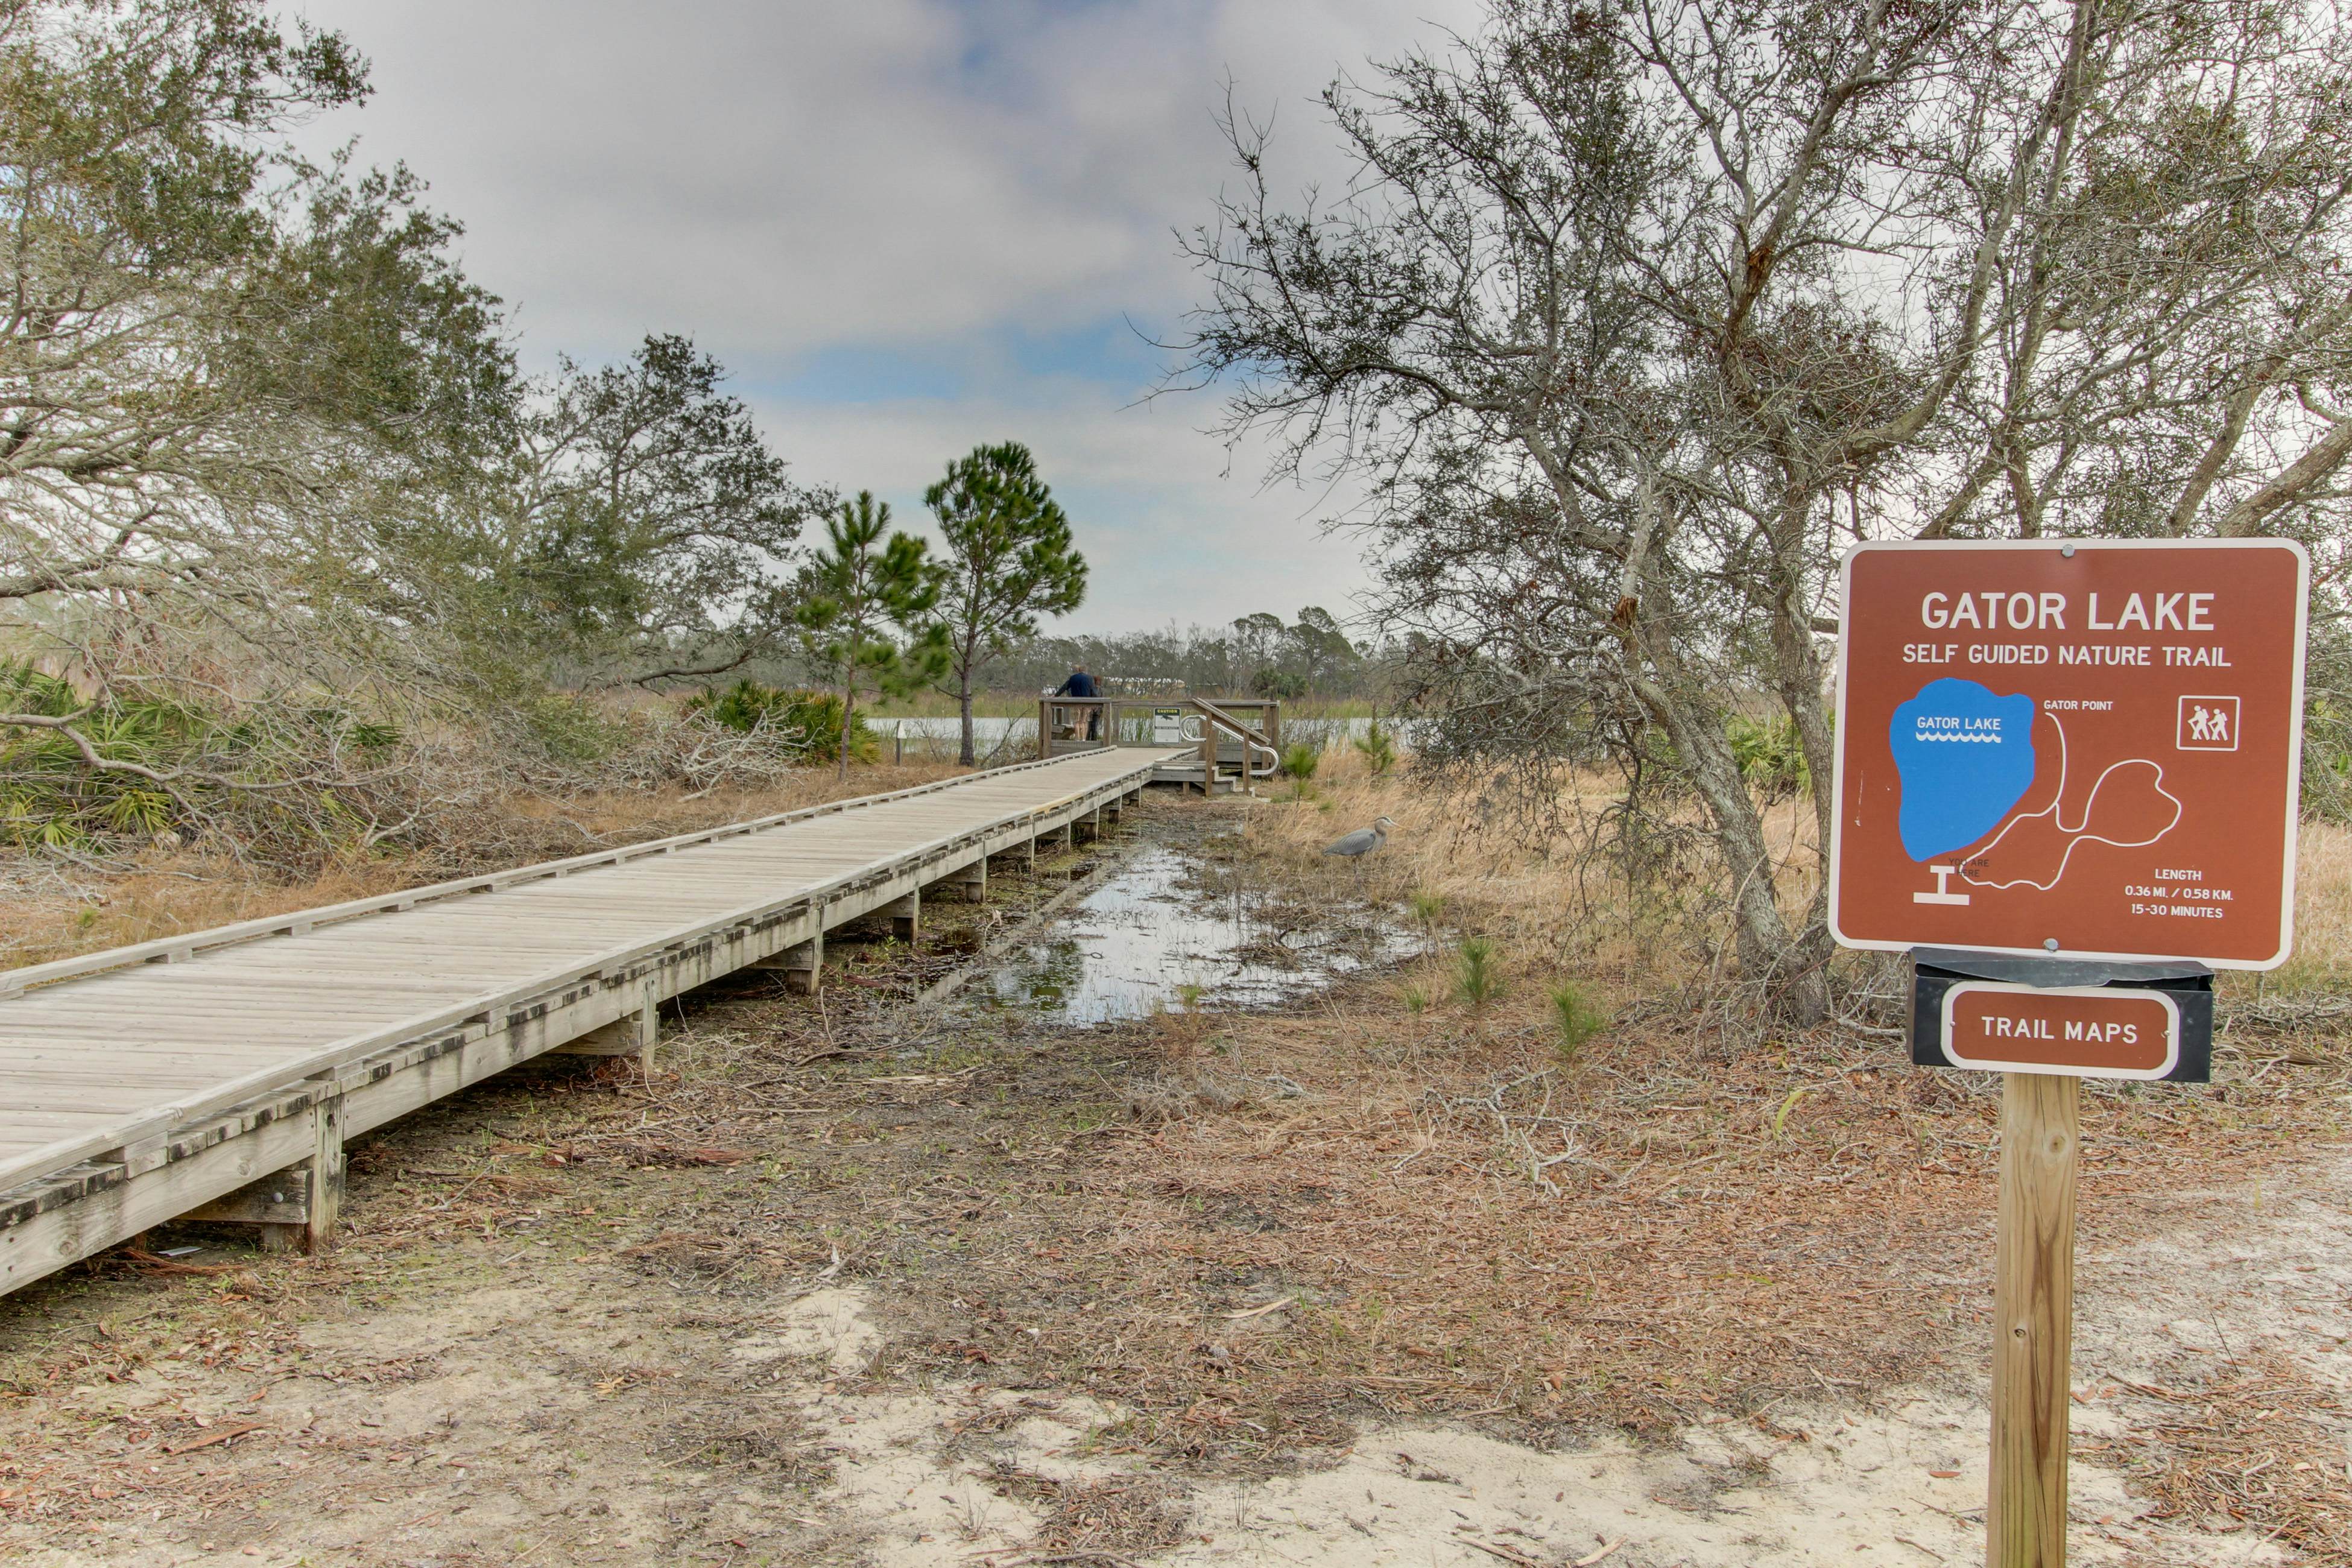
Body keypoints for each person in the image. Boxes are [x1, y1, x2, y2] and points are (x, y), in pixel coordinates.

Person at [1054, 664, 1101, 739]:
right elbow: (1094, 692)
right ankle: (1083, 739)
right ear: (1086, 671)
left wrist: (1056, 695)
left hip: (1075, 703)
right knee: (1084, 722)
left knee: (1077, 721)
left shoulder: (1073, 678)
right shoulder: (1090, 678)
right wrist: (1097, 703)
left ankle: (1077, 738)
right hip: (1087, 704)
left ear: (1079, 670)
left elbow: (1064, 687)